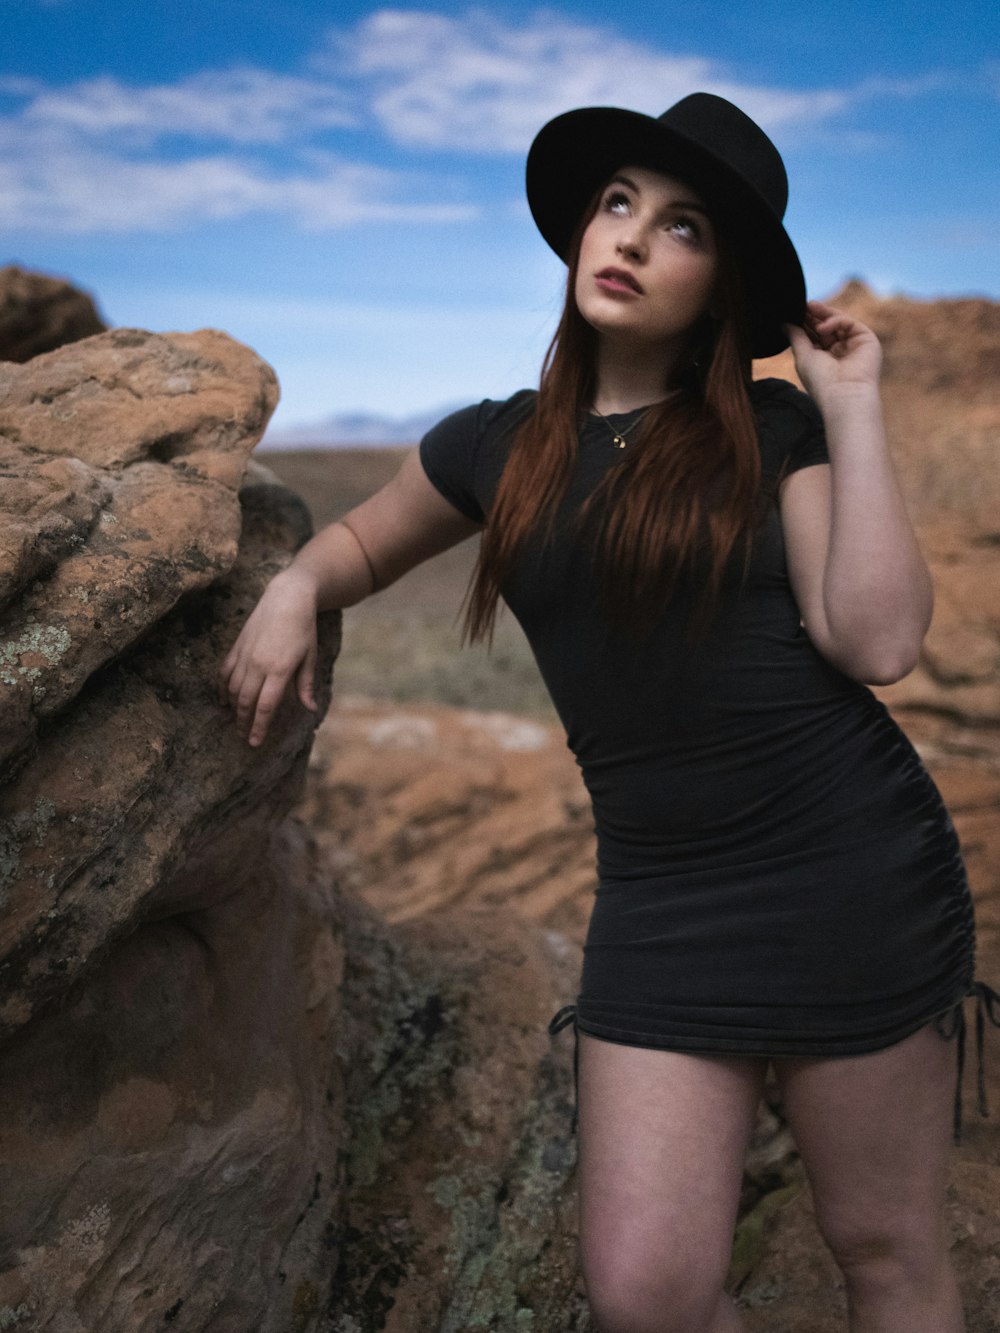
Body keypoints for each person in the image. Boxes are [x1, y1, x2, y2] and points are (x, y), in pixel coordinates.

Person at [221, 93, 993, 1332]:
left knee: (885, 1247)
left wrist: (849, 408)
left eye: (679, 226)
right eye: (618, 204)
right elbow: (363, 540)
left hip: (842, 872)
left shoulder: (774, 430)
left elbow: (879, 638)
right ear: (580, 231)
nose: (630, 238)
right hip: (661, 897)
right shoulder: (495, 446)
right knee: (646, 1290)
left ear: (719, 283)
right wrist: (296, 586)